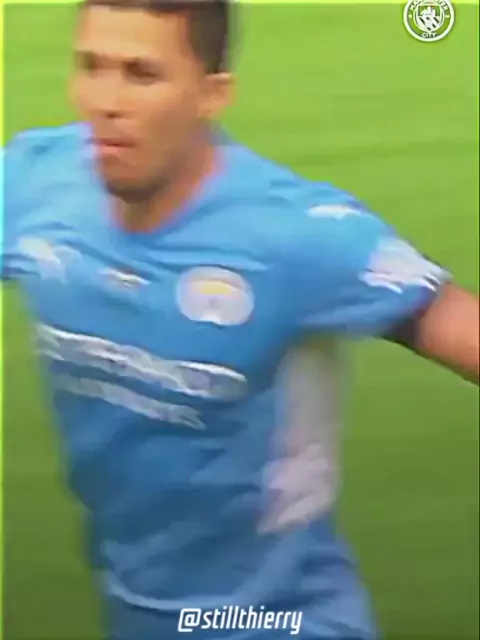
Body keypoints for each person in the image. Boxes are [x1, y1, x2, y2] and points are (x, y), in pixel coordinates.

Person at [2, 1, 478, 638]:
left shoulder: (295, 237)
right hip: (135, 614)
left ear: (212, 94)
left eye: (142, 74)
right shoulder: (34, 186)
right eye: (92, 66)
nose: (107, 102)